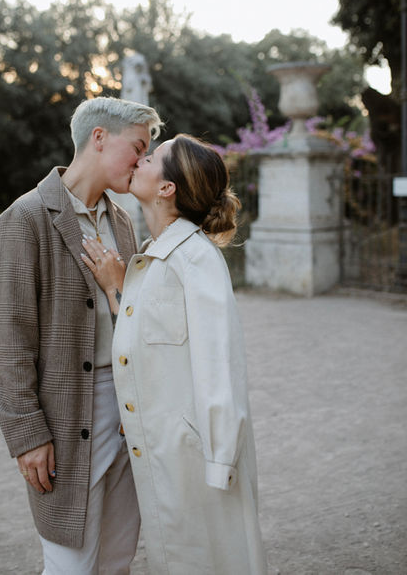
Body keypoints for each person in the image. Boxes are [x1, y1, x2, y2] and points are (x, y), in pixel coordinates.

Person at [0, 96, 162, 575]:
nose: (142, 161)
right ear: (99, 138)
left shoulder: (121, 221)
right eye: (138, 147)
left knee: (117, 559)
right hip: (63, 417)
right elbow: (9, 340)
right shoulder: (24, 218)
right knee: (70, 563)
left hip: (126, 414)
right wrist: (27, 435)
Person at [81, 134, 267, 575]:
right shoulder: (152, 258)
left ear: (167, 188)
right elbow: (149, 341)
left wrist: (220, 461)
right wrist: (119, 289)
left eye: (151, 158)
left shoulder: (197, 258)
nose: (139, 161)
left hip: (199, 462)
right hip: (164, 457)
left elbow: (220, 364)